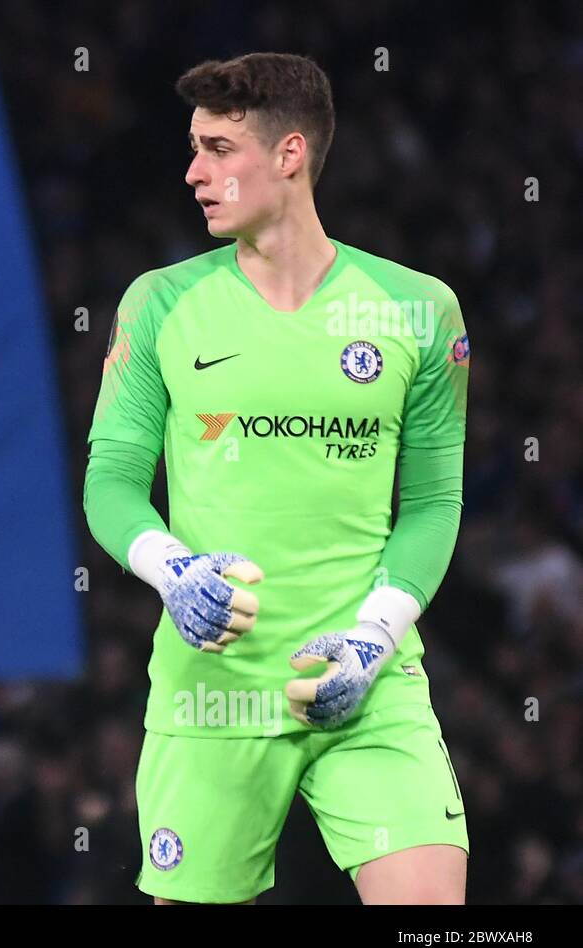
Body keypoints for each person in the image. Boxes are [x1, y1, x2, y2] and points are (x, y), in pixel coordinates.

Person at [84, 52, 471, 904]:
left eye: (218, 148)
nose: (193, 172)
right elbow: (110, 481)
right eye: (193, 148)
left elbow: (436, 502)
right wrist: (174, 570)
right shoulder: (158, 303)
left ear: (289, 154)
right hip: (213, 690)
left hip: (366, 681)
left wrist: (373, 639)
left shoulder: (417, 310)